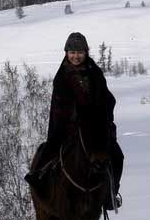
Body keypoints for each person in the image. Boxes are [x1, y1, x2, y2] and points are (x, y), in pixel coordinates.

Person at [24, 32, 124, 210]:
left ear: (86, 52)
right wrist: (75, 117)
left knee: (117, 156)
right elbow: (59, 106)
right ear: (66, 53)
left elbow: (107, 98)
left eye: (79, 52)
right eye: (72, 52)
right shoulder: (61, 77)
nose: (75, 56)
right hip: (67, 128)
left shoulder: (95, 72)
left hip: (96, 128)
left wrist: (103, 114)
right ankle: (42, 193)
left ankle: (110, 195)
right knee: (46, 157)